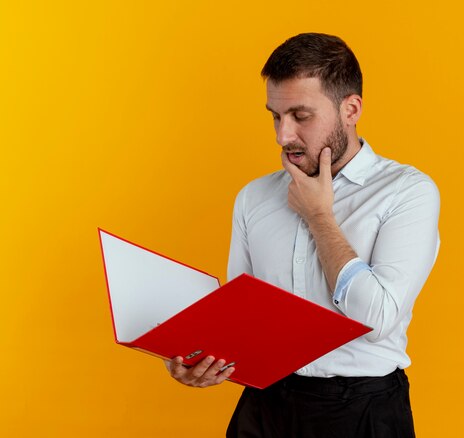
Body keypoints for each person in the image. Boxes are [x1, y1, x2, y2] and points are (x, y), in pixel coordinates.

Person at [165, 33, 441, 437]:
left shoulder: (407, 192)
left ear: (351, 109)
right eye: (275, 116)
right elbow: (243, 317)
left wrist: (318, 216)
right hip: (264, 407)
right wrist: (200, 361)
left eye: (301, 116)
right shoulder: (254, 197)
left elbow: (376, 317)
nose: (283, 136)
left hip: (363, 412)